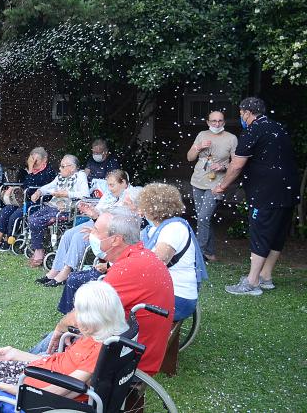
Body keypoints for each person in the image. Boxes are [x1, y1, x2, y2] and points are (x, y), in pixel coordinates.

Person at [28, 206, 174, 378]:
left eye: (96, 230)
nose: (92, 234)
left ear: (115, 240)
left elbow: (82, 316)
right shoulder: (142, 257)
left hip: (128, 359)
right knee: (60, 335)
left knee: (57, 335)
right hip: (133, 347)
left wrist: (61, 327)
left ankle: (22, 369)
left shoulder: (127, 269)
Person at [0, 281, 129, 412]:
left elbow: (55, 391)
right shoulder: (97, 335)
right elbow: (58, 362)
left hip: (38, 391)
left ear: (93, 319)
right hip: (41, 372)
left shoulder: (98, 351)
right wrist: (14, 353)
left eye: (78, 312)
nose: (74, 317)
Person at [214, 97, 300, 296]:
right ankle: (266, 277)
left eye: (241, 113)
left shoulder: (253, 130)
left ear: (247, 112)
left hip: (266, 192)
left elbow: (237, 164)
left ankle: (252, 282)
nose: (241, 116)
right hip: (287, 189)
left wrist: (222, 186)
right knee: (277, 234)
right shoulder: (278, 128)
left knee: (260, 233)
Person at [54, 185, 144, 315]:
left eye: (127, 202)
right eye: (123, 201)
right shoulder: (129, 219)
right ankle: (71, 315)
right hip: (114, 264)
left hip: (118, 273)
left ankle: (73, 319)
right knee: (74, 276)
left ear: (138, 207)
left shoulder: (136, 223)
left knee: (74, 280)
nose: (122, 204)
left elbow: (123, 247)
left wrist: (108, 266)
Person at [36, 169, 131, 286]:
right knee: (68, 234)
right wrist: (90, 209)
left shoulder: (129, 198)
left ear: (124, 184)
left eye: (112, 185)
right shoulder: (109, 195)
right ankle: (55, 270)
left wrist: (97, 217)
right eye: (108, 185)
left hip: (111, 229)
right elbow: (99, 210)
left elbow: (118, 222)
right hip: (98, 222)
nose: (109, 188)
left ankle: (66, 271)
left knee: (78, 237)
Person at [137, 183, 207, 321]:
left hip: (177, 299)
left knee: (117, 302)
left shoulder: (173, 229)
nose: (141, 211)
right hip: (167, 293)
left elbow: (156, 264)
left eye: (143, 206)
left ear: (153, 208)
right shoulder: (158, 229)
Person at [0, 147, 55, 252]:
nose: (33, 162)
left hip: (39, 202)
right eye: (32, 159)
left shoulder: (48, 172)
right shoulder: (31, 171)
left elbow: (32, 187)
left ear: (44, 160)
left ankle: (8, 241)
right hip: (25, 199)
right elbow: (25, 186)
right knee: (5, 211)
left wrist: (30, 169)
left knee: (15, 216)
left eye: (36, 160)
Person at [187, 111, 237, 261]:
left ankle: (199, 253)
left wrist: (223, 167)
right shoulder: (202, 135)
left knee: (202, 218)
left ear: (224, 122)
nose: (217, 124)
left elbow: (236, 163)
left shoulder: (231, 138)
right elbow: (189, 158)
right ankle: (210, 253)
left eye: (220, 121)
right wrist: (198, 147)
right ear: (208, 122)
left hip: (217, 184)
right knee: (204, 218)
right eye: (213, 121)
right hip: (197, 181)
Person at [26, 155, 89, 267]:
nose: (60, 168)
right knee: (32, 217)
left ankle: (39, 251)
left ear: (72, 168)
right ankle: (39, 247)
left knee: (36, 221)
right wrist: (39, 192)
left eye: (62, 166)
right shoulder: (61, 177)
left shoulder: (80, 176)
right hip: (53, 206)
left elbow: (85, 195)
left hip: (67, 210)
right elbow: (49, 186)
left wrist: (67, 194)